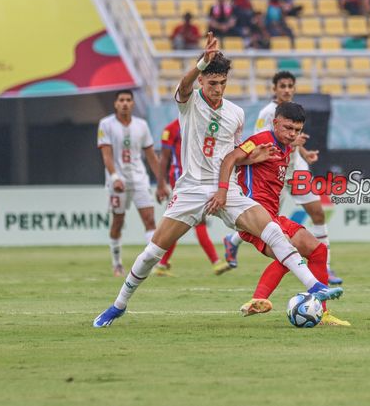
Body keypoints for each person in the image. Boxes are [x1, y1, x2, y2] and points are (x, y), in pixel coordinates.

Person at [93, 34, 343, 327]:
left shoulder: (235, 114)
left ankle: (314, 286)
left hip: (228, 188)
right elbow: (184, 86)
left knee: (273, 229)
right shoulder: (190, 102)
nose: (218, 89)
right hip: (191, 189)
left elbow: (231, 155)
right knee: (153, 253)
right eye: (212, 83)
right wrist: (201, 63)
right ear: (202, 81)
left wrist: (252, 159)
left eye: (222, 83)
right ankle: (119, 305)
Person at [216, 102, 350, 326]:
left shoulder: (287, 147)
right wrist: (223, 190)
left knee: (317, 251)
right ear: (275, 122)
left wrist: (300, 148)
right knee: (288, 250)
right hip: (253, 216)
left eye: (297, 130)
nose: (292, 134)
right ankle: (258, 298)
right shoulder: (260, 141)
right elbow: (230, 158)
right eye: (288, 128)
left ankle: (322, 313)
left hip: (272, 217)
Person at [223, 71, 343, 285]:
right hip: (271, 172)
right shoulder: (268, 112)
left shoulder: (294, 112)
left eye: (290, 86)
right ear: (275, 89)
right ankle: (234, 240)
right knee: (268, 224)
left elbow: (291, 138)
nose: (287, 90)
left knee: (317, 213)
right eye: (283, 86)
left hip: (295, 168)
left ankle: (325, 267)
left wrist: (305, 154)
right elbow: (264, 142)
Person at [98, 90, 169, 277]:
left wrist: (161, 183)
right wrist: (114, 178)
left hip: (139, 179)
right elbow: (106, 155)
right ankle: (117, 263)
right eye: (121, 100)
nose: (125, 103)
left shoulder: (142, 125)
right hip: (117, 181)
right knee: (118, 222)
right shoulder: (106, 124)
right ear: (115, 104)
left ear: (133, 103)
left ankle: (151, 265)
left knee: (150, 221)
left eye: (128, 100)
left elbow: (151, 156)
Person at [153, 118, 232, 276]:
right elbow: (164, 158)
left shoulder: (202, 124)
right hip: (181, 181)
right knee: (190, 222)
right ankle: (215, 262)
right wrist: (161, 184)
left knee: (179, 223)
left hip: (199, 180)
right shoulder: (171, 128)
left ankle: (161, 264)